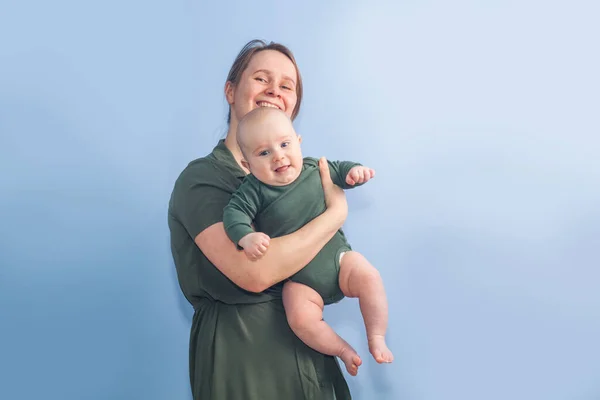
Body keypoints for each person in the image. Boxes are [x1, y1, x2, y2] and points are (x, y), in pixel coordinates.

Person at [168, 40, 353, 399]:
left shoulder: (302, 178)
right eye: (261, 78)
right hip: (243, 362)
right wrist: (335, 214)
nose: (274, 91)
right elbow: (254, 272)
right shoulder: (203, 179)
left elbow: (329, 269)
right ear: (230, 90)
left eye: (286, 85)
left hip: (311, 364)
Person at [222, 107, 393, 377]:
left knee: (370, 276)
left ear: (298, 143)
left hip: (338, 261)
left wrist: (354, 173)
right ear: (247, 165)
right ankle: (342, 349)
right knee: (300, 318)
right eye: (264, 152)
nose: (278, 155)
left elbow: (340, 171)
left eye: (284, 144)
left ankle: (377, 336)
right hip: (301, 281)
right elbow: (233, 214)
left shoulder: (314, 168)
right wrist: (246, 236)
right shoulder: (253, 190)